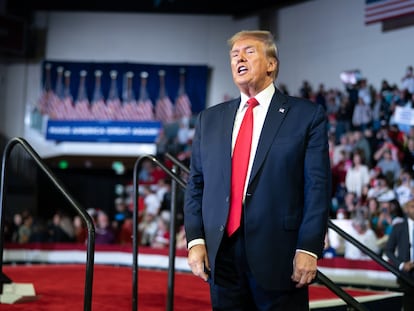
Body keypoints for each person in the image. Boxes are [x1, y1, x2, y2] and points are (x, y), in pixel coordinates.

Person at [184, 30, 331, 310]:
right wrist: (195, 240)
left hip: (281, 256)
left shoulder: (306, 116)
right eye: (234, 54)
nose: (239, 57)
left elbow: (318, 187)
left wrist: (308, 247)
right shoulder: (209, 119)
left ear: (271, 64)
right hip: (222, 258)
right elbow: (196, 185)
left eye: (249, 51)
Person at [384, 198, 414, 311]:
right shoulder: (398, 228)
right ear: (406, 209)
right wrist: (401, 265)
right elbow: (388, 250)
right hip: (406, 276)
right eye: (412, 206)